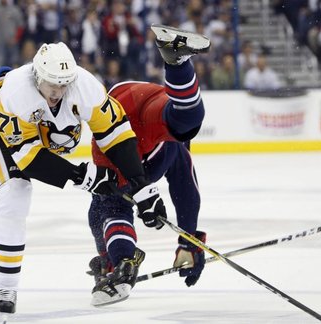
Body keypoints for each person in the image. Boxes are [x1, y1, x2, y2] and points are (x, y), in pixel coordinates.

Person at [0, 41, 169, 315]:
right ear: (37, 75)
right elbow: (27, 158)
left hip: (32, 135)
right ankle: (6, 287)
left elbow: (116, 135)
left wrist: (142, 186)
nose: (58, 91)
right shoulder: (18, 92)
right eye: (52, 83)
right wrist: (81, 175)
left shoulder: (84, 86)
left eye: (64, 84)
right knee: (14, 192)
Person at [87, 24, 210, 306]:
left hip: (129, 103)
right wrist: (188, 240)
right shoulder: (111, 157)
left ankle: (118, 263)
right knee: (186, 122)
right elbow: (185, 186)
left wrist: (188, 240)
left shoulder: (110, 161)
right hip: (125, 108)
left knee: (106, 207)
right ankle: (177, 62)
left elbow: (182, 183)